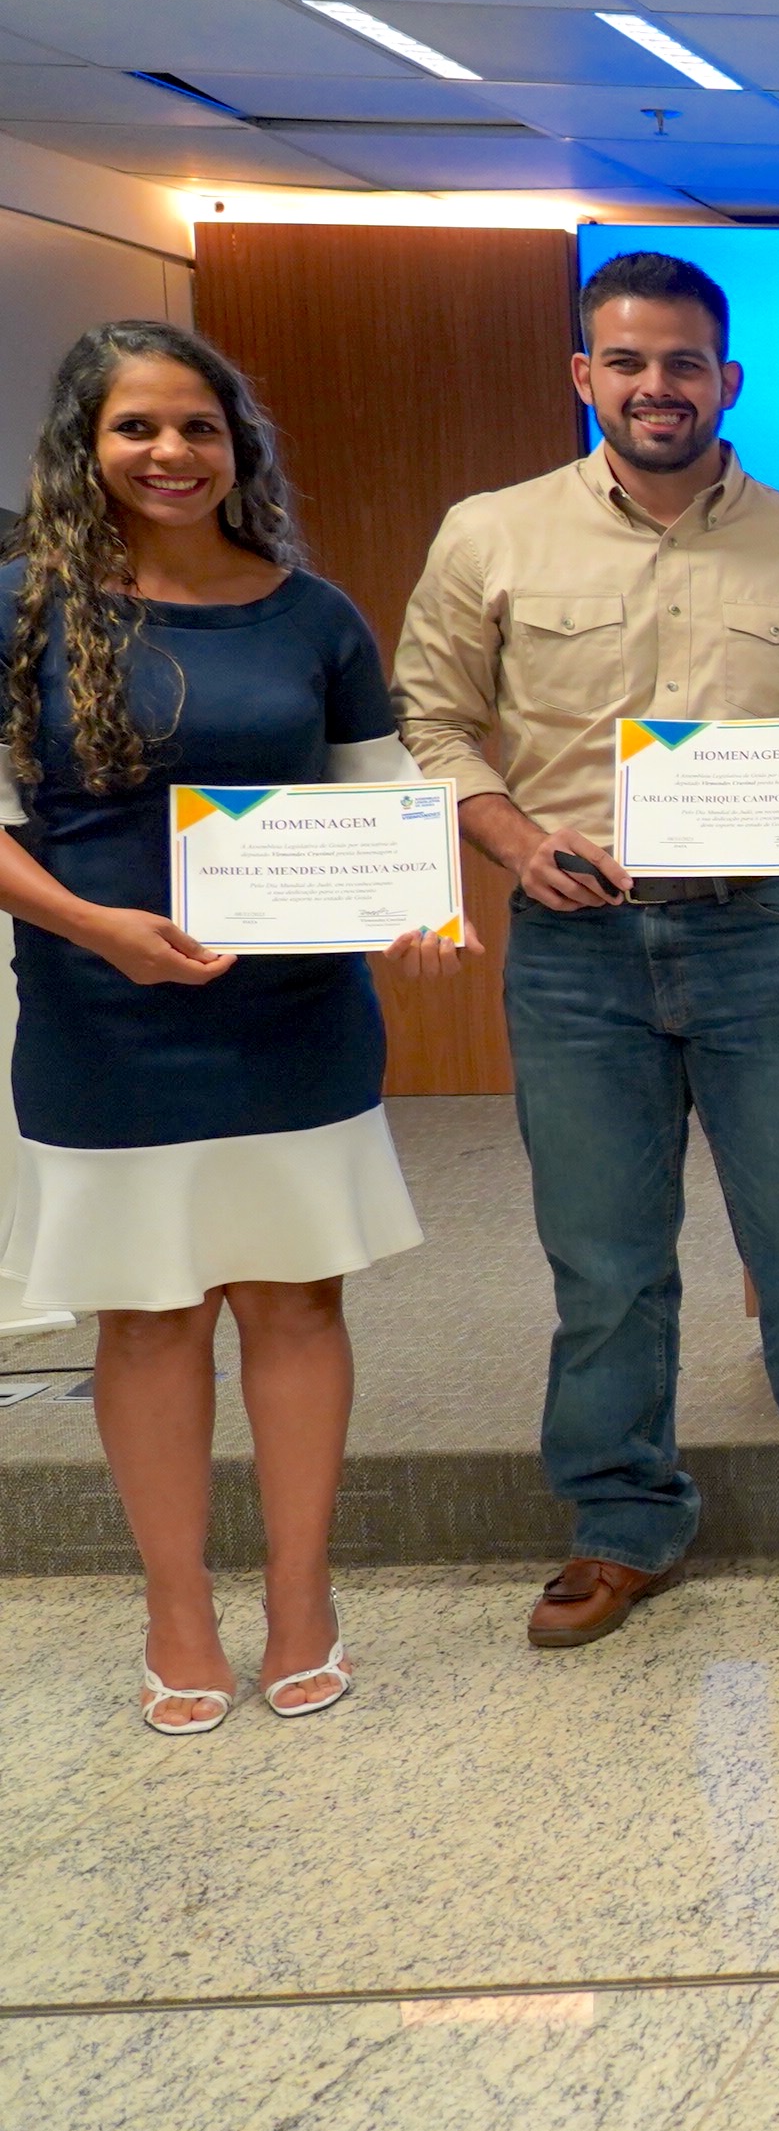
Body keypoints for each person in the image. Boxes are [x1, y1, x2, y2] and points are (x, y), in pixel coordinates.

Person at [395, 251, 779, 1648]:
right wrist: (514, 843)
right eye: (627, 362)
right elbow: (433, 725)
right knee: (605, 1262)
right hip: (578, 951)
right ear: (586, 374)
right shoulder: (492, 534)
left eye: (683, 362)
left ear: (727, 379)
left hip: (767, 938)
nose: (656, 386)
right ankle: (620, 1521)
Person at [0, 322, 456, 1731]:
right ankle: (178, 1608)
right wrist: (95, 927)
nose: (171, 453)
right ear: (86, 446)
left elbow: (380, 789)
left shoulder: (312, 614)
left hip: (294, 1018)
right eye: (137, 427)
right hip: (105, 1020)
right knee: (147, 1315)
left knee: (298, 1298)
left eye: (198, 426)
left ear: (235, 446)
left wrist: (422, 904)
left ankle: (303, 1598)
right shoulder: (24, 608)